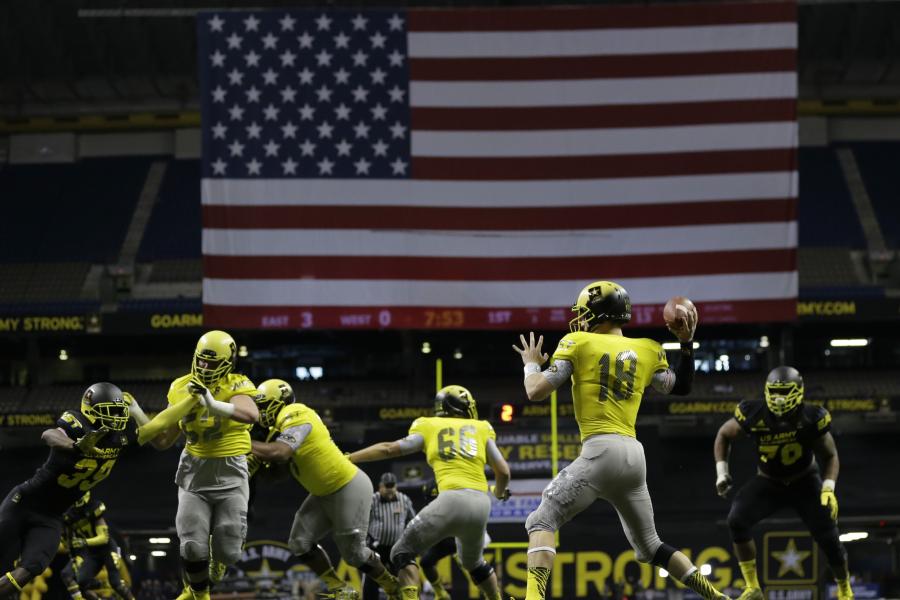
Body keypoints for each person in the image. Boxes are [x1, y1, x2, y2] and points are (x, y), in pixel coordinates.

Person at [512, 280, 727, 600]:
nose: (580, 318)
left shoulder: (577, 341)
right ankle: (716, 597)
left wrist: (531, 363)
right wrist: (686, 344)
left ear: (599, 313)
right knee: (651, 546)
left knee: (541, 520)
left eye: (585, 312)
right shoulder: (648, 349)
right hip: (633, 457)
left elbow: (536, 391)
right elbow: (680, 387)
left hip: (600, 451)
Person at [128, 330, 260, 600]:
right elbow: (163, 440)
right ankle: (200, 596)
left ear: (227, 364)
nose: (203, 367)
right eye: (200, 361)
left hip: (231, 474)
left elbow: (250, 414)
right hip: (194, 474)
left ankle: (219, 559)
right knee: (191, 547)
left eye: (211, 363)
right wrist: (137, 412)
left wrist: (212, 403)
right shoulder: (181, 387)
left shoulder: (237, 383)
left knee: (229, 551)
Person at [349, 385, 511, 600]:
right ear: (462, 406)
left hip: (451, 500)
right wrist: (499, 493)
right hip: (481, 504)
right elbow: (503, 471)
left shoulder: (429, 425)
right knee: (474, 563)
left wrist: (350, 458)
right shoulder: (481, 427)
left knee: (401, 552)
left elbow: (388, 448)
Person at [250, 379, 400, 600]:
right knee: (299, 542)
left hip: (348, 485)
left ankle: (392, 586)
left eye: (263, 406)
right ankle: (341, 589)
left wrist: (245, 443)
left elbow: (280, 452)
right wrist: (258, 463)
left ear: (279, 403)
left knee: (354, 555)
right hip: (323, 493)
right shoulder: (278, 430)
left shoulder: (296, 411)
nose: (259, 413)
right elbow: (276, 474)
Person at [714, 366, 853, 600]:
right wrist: (721, 471)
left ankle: (845, 589)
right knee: (736, 520)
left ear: (798, 392)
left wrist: (828, 487)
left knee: (829, 537)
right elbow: (724, 434)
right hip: (769, 482)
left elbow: (830, 455)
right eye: (774, 392)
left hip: (805, 482)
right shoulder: (755, 413)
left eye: (785, 391)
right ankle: (753, 587)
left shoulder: (811, 417)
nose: (779, 398)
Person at [0, 382, 132, 598]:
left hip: (52, 516)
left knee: (33, 566)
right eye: (110, 411)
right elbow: (49, 434)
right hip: (24, 503)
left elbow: (154, 432)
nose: (116, 417)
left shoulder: (118, 439)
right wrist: (76, 446)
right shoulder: (76, 423)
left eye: (119, 411)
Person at [59, 491, 134, 600]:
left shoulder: (93, 508)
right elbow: (68, 543)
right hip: (91, 553)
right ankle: (101, 587)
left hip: (107, 549)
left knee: (116, 583)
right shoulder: (69, 516)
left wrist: (84, 542)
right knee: (82, 583)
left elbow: (104, 538)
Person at [362, 473, 416, 600]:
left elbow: (412, 521)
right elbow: (361, 521)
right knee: (372, 579)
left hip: (396, 548)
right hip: (376, 547)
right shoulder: (372, 500)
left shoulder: (404, 500)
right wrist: (366, 541)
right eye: (387, 486)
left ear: (396, 486)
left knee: (402, 578)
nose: (390, 489)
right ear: (380, 486)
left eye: (392, 486)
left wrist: (409, 541)